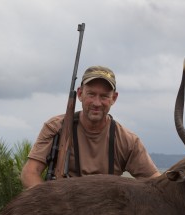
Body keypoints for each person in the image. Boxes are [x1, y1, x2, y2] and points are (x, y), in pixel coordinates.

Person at [21, 66, 161, 189]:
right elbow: (29, 173)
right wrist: (50, 201)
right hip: (62, 209)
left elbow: (156, 181)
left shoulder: (128, 140)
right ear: (80, 94)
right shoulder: (55, 127)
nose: (97, 103)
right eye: (91, 94)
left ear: (114, 98)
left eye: (104, 96)